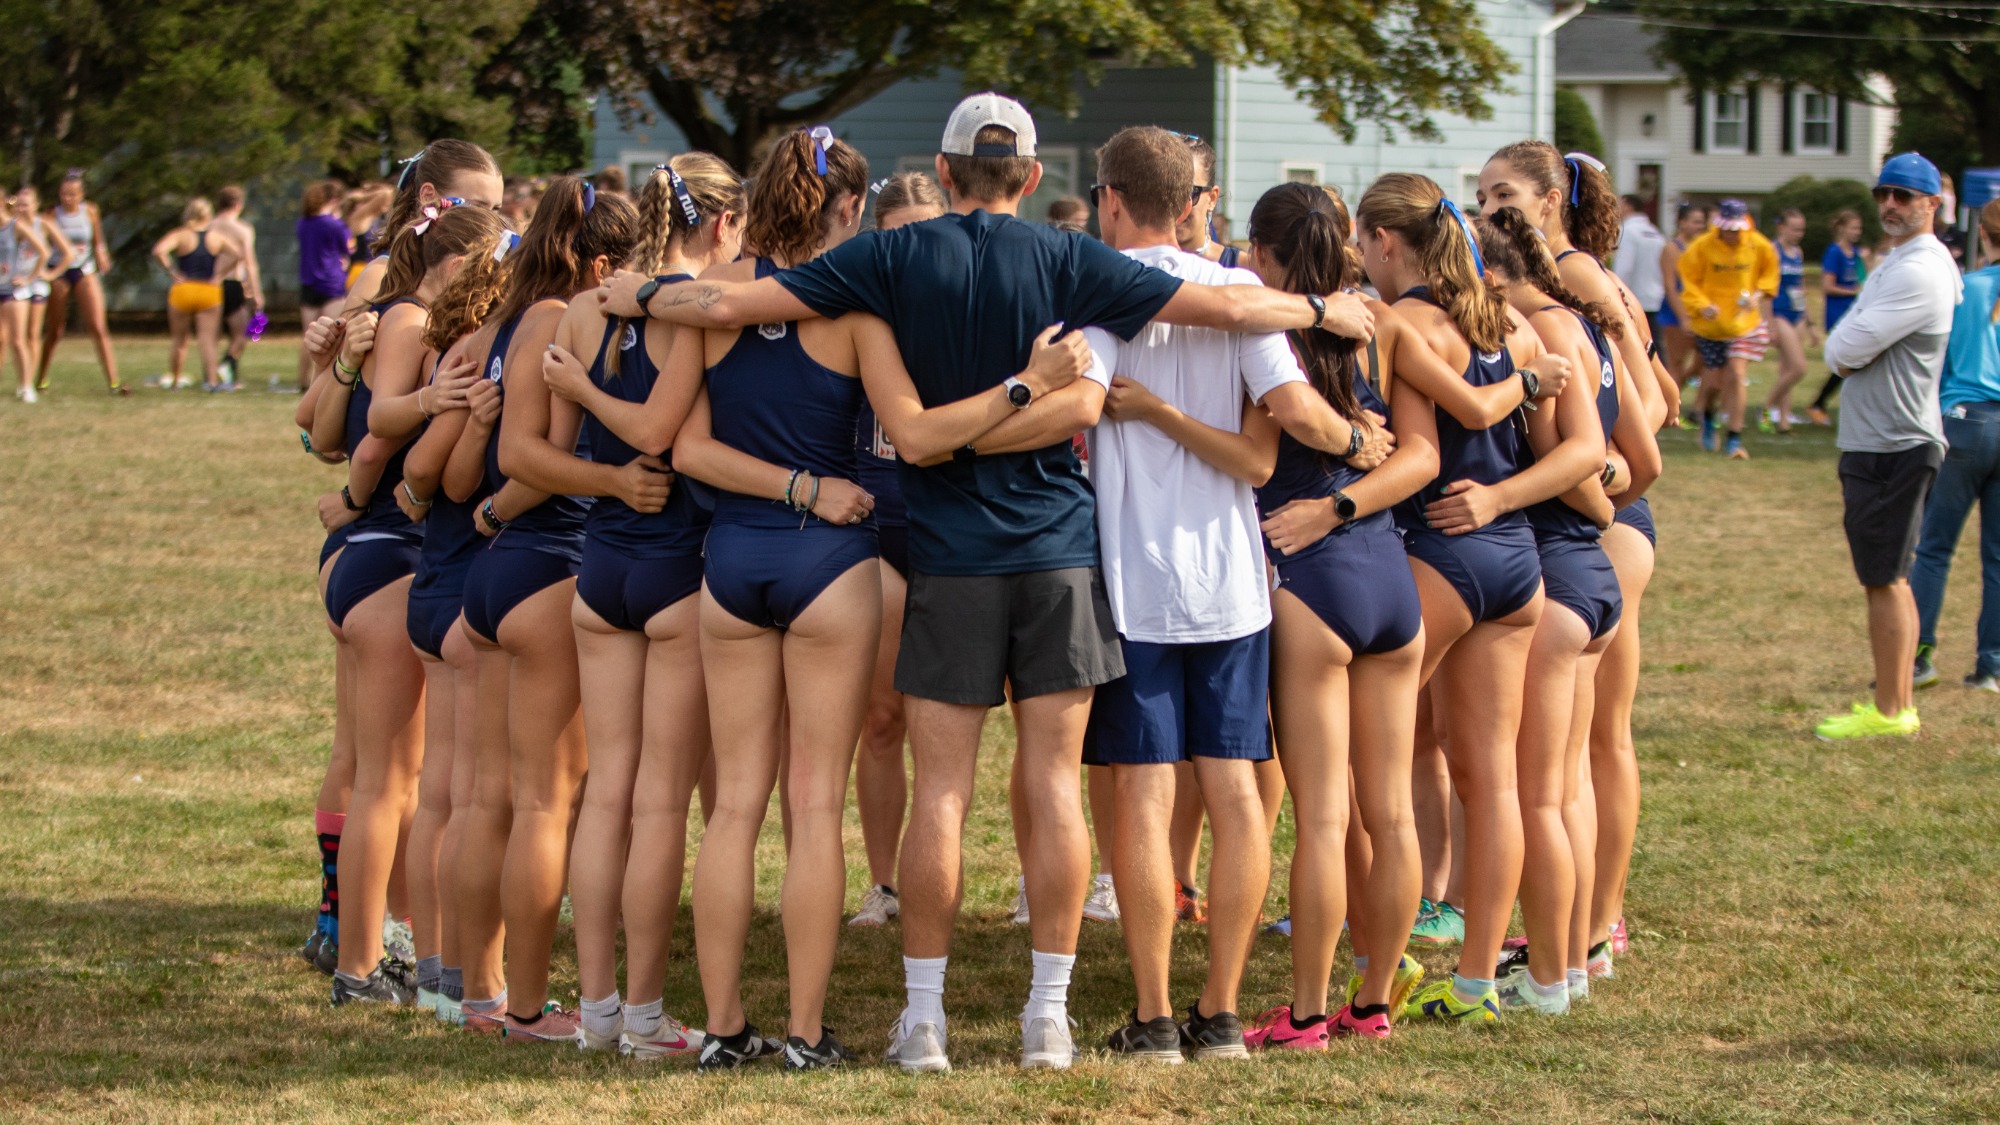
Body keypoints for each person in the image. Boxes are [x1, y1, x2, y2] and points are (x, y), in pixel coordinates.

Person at [599, 91, 1376, 1072]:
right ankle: (1043, 1016)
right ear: (1034, 178)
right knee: (1053, 788)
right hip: (1055, 549)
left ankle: (922, 1019)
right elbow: (1220, 305)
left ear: (945, 166)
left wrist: (634, 296)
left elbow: (726, 303)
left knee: (942, 796)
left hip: (948, 556)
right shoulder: (1065, 259)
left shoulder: (889, 256)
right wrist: (1318, 308)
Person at [1078, 127, 1306, 1062]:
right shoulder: (1247, 294)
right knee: (1235, 788)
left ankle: (1155, 1012)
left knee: (1140, 793)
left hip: (1133, 576)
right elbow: (1286, 415)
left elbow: (1074, 406)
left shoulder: (1095, 290)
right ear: (1192, 200)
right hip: (1230, 577)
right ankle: (1219, 1013)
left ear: (1115, 200)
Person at [536, 155, 746, 1060]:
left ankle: (595, 1011)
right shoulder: (691, 305)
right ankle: (645, 1018)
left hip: (600, 569)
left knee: (607, 796)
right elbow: (663, 433)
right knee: (655, 802)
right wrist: (591, 396)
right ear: (722, 222)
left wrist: (582, 392)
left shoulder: (586, 306)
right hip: (670, 571)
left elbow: (556, 444)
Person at [446, 178, 638, 1040]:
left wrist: (491, 512)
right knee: (542, 805)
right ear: (600, 260)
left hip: (495, 576)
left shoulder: (508, 320)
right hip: (551, 568)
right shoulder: (563, 320)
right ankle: (525, 1007)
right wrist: (615, 480)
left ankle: (476, 994)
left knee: (488, 796)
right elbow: (530, 453)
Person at [315, 203, 508, 1005]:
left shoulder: (388, 319)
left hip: (370, 553)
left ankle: (373, 953)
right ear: (460, 261)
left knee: (385, 777)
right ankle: (362, 963)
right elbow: (360, 439)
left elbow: (318, 428)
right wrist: (431, 408)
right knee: (394, 783)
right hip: (388, 557)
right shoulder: (411, 321)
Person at [385, 218, 518, 1023]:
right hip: (467, 584)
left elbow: (414, 478)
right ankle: (476, 982)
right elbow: (422, 468)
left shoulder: (453, 346)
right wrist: (472, 420)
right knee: (478, 792)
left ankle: (440, 973)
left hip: (434, 580)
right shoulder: (482, 353)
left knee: (442, 787)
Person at [1815, 153, 1962, 741]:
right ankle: (1892, 702)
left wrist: (1848, 345)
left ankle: (1893, 708)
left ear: (1933, 204)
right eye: (1884, 194)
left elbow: (1842, 350)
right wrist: (1850, 343)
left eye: (1905, 195)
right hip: (1885, 439)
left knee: (1887, 578)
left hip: (1894, 441)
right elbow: (1850, 344)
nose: (1891, 205)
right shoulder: (1902, 260)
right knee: (1885, 575)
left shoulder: (1920, 268)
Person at [849, 170, 948, 928]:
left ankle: (1015, 879)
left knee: (969, 724)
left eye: (926, 231)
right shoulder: (852, 310)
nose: (912, 249)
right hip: (877, 527)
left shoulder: (967, 306)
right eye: (898, 234)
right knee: (882, 718)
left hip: (957, 529)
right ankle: (884, 885)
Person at [1911, 199, 2000, 694]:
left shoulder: (1967, 289)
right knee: (1998, 557)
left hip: (1966, 423)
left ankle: (1920, 654)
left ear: (1982, 235)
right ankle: (1992, 664)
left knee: (1934, 548)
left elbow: (1938, 359)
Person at [1681, 198, 1777, 459]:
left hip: (1744, 324)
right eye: (1729, 230)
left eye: (1737, 230)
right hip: (1712, 327)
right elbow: (1689, 281)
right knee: (1713, 383)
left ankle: (1734, 438)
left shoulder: (1758, 245)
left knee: (1736, 373)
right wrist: (1702, 305)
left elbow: (1769, 274)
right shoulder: (1702, 248)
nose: (1733, 235)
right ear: (1720, 226)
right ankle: (1709, 418)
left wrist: (1759, 296)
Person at [36, 171, 124, 395]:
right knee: (55, 330)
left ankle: (114, 383)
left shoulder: (91, 211)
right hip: (60, 271)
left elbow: (98, 240)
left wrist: (102, 254)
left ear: (81, 194)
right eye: (64, 194)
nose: (68, 198)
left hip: (85, 269)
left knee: (98, 326)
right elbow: (42, 245)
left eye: (73, 194)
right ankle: (41, 379)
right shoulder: (51, 215)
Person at [151, 197, 242, 391]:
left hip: (184, 289)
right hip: (209, 291)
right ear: (208, 215)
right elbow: (237, 254)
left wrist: (173, 272)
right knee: (208, 340)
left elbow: (159, 251)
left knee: (179, 340)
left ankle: (175, 380)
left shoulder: (181, 234)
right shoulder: (215, 237)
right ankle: (211, 381)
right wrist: (220, 275)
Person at [1809, 210, 1867, 425]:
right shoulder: (1834, 253)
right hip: (1837, 315)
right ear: (1842, 228)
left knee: (1855, 363)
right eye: (1853, 227)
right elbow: (1828, 286)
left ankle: (1824, 405)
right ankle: (1818, 404)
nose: (1857, 232)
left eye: (1859, 228)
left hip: (1853, 315)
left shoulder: (1855, 253)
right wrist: (1855, 291)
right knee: (1849, 363)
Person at [298, 181, 354, 391]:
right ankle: (323, 382)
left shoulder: (303, 223)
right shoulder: (335, 225)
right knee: (332, 336)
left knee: (308, 336)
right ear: (334, 201)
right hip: (331, 283)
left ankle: (302, 381)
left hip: (308, 283)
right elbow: (348, 249)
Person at [1762, 209, 1814, 434]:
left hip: (1796, 313)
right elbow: (1766, 291)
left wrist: (1809, 322)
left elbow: (1800, 287)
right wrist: (1769, 323)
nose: (1799, 233)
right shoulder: (1773, 251)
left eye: (1801, 229)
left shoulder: (1798, 252)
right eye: (1794, 228)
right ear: (1781, 227)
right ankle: (1766, 407)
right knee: (1799, 368)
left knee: (1787, 370)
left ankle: (1784, 422)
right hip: (1780, 313)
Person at [212, 185, 265, 389]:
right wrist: (256, 292)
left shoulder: (209, 226)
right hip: (233, 283)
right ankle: (227, 365)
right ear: (238, 205)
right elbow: (249, 264)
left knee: (211, 336)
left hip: (211, 284)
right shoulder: (242, 229)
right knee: (242, 333)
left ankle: (217, 373)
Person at [1, 196, 50, 402]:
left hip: (14, 291)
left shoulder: (15, 226)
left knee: (18, 341)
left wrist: (29, 278)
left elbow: (43, 252)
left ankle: (26, 386)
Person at [1658, 203, 1709, 395]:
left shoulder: (1702, 247)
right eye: (1695, 222)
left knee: (1704, 360)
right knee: (1677, 360)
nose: (1700, 226)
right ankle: (1671, 408)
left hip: (1700, 311)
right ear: (1682, 222)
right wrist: (1684, 318)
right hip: (1675, 313)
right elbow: (1670, 287)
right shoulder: (1671, 249)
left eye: (1702, 222)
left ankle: (1673, 397)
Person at [1177, 134, 1240, 269]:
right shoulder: (1135, 268)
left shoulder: (1241, 267)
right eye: (1168, 192)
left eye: (1189, 193)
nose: (1176, 204)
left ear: (1212, 198)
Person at [1611, 195, 1667, 337]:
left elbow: (1624, 267)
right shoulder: (1656, 233)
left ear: (1629, 207)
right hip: (1656, 298)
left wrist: (1617, 294)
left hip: (1633, 299)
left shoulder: (1627, 231)